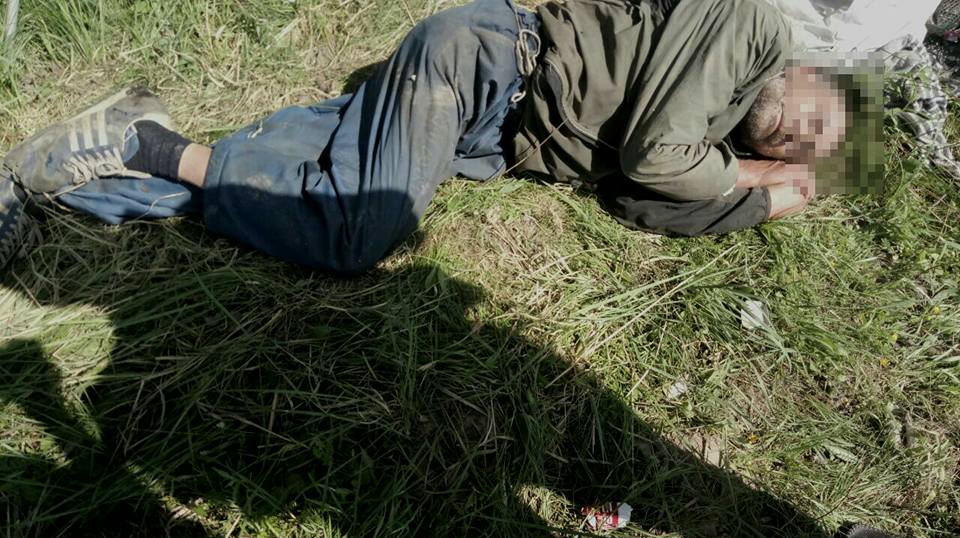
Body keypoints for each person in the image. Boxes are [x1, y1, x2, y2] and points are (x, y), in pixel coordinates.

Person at [0, 0, 848, 275]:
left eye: (802, 147)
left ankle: (71, 170)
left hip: (486, 130)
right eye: (818, 115)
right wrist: (744, 177)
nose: (797, 133)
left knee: (307, 169)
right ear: (813, 71)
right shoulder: (750, 24)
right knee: (354, 232)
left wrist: (757, 205)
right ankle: (143, 143)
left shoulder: (714, 124)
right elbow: (655, 158)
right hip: (486, 63)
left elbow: (643, 202)